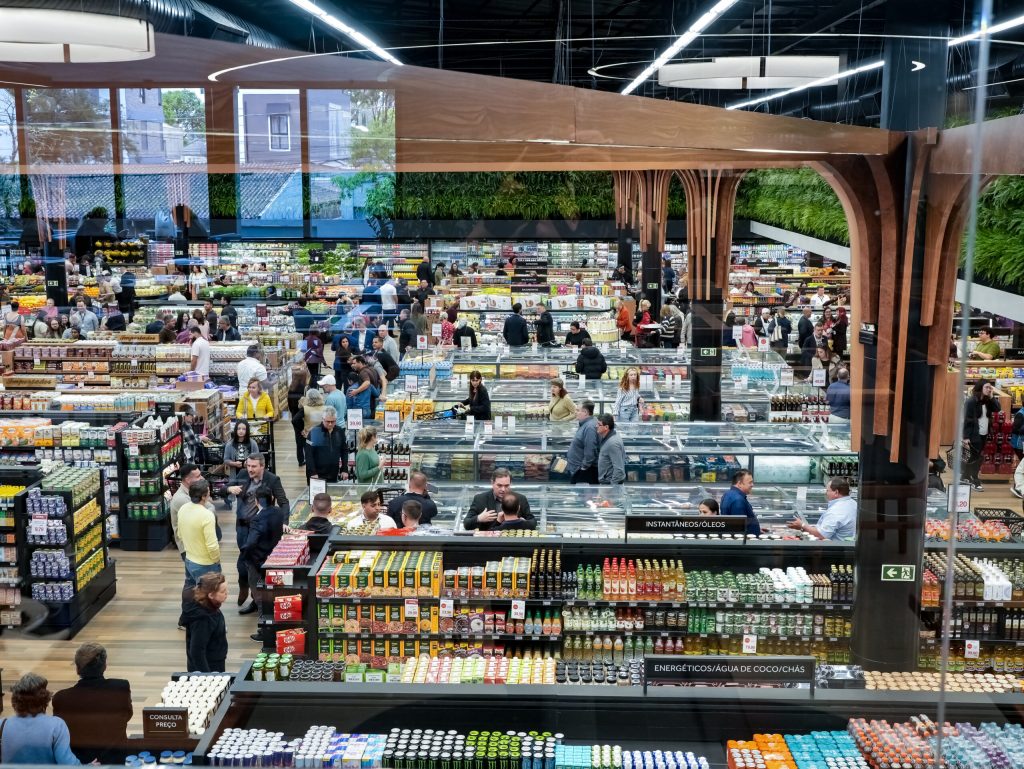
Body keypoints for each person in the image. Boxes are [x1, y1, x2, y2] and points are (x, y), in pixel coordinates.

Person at [227, 453, 289, 610]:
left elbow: (283, 502)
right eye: (248, 465)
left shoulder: (272, 480)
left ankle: (258, 600)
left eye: (253, 466)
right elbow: (222, 490)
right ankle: (245, 587)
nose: (249, 469)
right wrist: (229, 488)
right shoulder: (241, 474)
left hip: (262, 528)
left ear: (262, 466)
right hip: (243, 527)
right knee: (243, 563)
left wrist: (284, 523)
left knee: (257, 563)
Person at [51, 643, 132, 764]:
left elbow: (61, 735)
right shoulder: (120, 687)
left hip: (80, 762)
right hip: (116, 762)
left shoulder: (61, 698)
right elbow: (127, 715)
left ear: (77, 669)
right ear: (104, 666)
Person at [0, 673, 80, 765]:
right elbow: (67, 762)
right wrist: (87, 767)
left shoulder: (2, 724)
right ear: (45, 699)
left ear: (15, 700)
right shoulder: (57, 725)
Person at [241, 488, 285, 638]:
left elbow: (251, 542)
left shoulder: (257, 519)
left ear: (257, 501)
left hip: (258, 562)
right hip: (275, 559)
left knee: (259, 596)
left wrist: (244, 555)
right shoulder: (278, 512)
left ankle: (264, 631)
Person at [179, 572, 229, 673]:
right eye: (223, 591)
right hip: (209, 668)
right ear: (211, 595)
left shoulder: (210, 606)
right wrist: (208, 676)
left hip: (214, 660)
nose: (227, 593)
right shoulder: (203, 619)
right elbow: (197, 651)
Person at [177, 479, 221, 587]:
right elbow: (212, 545)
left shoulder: (183, 508)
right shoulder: (207, 515)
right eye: (208, 492)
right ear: (203, 497)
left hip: (189, 560)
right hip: (206, 564)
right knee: (209, 598)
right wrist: (216, 560)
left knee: (191, 594)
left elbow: (179, 535)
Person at [788, 476, 857, 541]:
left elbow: (822, 535)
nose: (826, 493)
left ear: (836, 492)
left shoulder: (836, 511)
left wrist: (802, 525)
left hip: (836, 549)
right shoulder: (853, 503)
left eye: (827, 490)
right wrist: (804, 528)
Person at [464, 468, 535, 531]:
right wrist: (479, 518)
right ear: (492, 483)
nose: (503, 489)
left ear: (510, 483)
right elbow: (467, 524)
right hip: (489, 543)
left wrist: (524, 522)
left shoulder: (520, 498)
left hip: (515, 542)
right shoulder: (480, 499)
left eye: (507, 486)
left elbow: (533, 522)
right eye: (499, 485)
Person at [962, 379, 999, 490]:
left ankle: (965, 476)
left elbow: (998, 408)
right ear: (980, 388)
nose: (989, 389)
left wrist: (992, 396)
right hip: (974, 434)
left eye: (990, 387)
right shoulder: (971, 401)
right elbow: (968, 420)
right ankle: (975, 479)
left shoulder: (987, 401)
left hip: (984, 434)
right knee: (976, 458)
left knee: (975, 457)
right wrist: (966, 437)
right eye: (987, 387)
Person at [304, 406, 348, 483]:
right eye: (328, 421)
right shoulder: (314, 432)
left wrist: (344, 469)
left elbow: (344, 451)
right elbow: (308, 454)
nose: (330, 424)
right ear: (322, 419)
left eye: (333, 421)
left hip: (333, 473)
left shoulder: (340, 431)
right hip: (317, 474)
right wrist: (313, 472)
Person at [566, 401, 600, 484]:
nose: (575, 412)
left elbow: (590, 451)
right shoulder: (586, 424)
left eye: (578, 410)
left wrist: (583, 468)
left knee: (583, 495)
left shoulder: (590, 428)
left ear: (585, 412)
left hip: (583, 472)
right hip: (579, 470)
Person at [719, 469, 761, 535]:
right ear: (739, 484)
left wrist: (755, 528)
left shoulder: (728, 494)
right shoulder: (738, 500)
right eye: (750, 482)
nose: (752, 485)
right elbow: (739, 528)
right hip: (747, 541)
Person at [596, 413, 626, 485]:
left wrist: (611, 488)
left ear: (606, 427)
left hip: (609, 486)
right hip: (607, 483)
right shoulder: (609, 437)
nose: (596, 426)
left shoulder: (612, 444)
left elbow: (619, 470)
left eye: (599, 424)